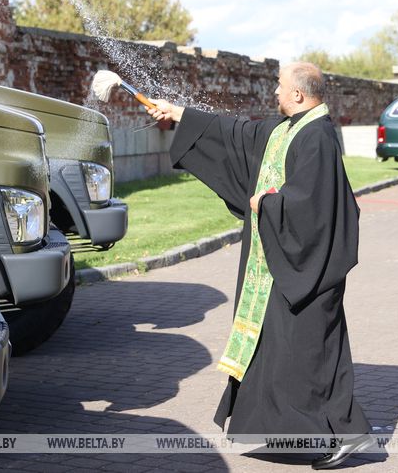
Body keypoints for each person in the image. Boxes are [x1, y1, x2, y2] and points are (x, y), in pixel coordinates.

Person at [146, 62, 371, 469]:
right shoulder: (288, 129)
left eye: (280, 87)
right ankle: (296, 431)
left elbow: (313, 206)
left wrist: (265, 204)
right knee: (281, 352)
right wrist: (178, 113)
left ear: (298, 94)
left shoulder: (318, 136)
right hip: (278, 266)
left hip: (309, 269)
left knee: (313, 355)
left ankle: (343, 434)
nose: (275, 93)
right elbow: (238, 134)